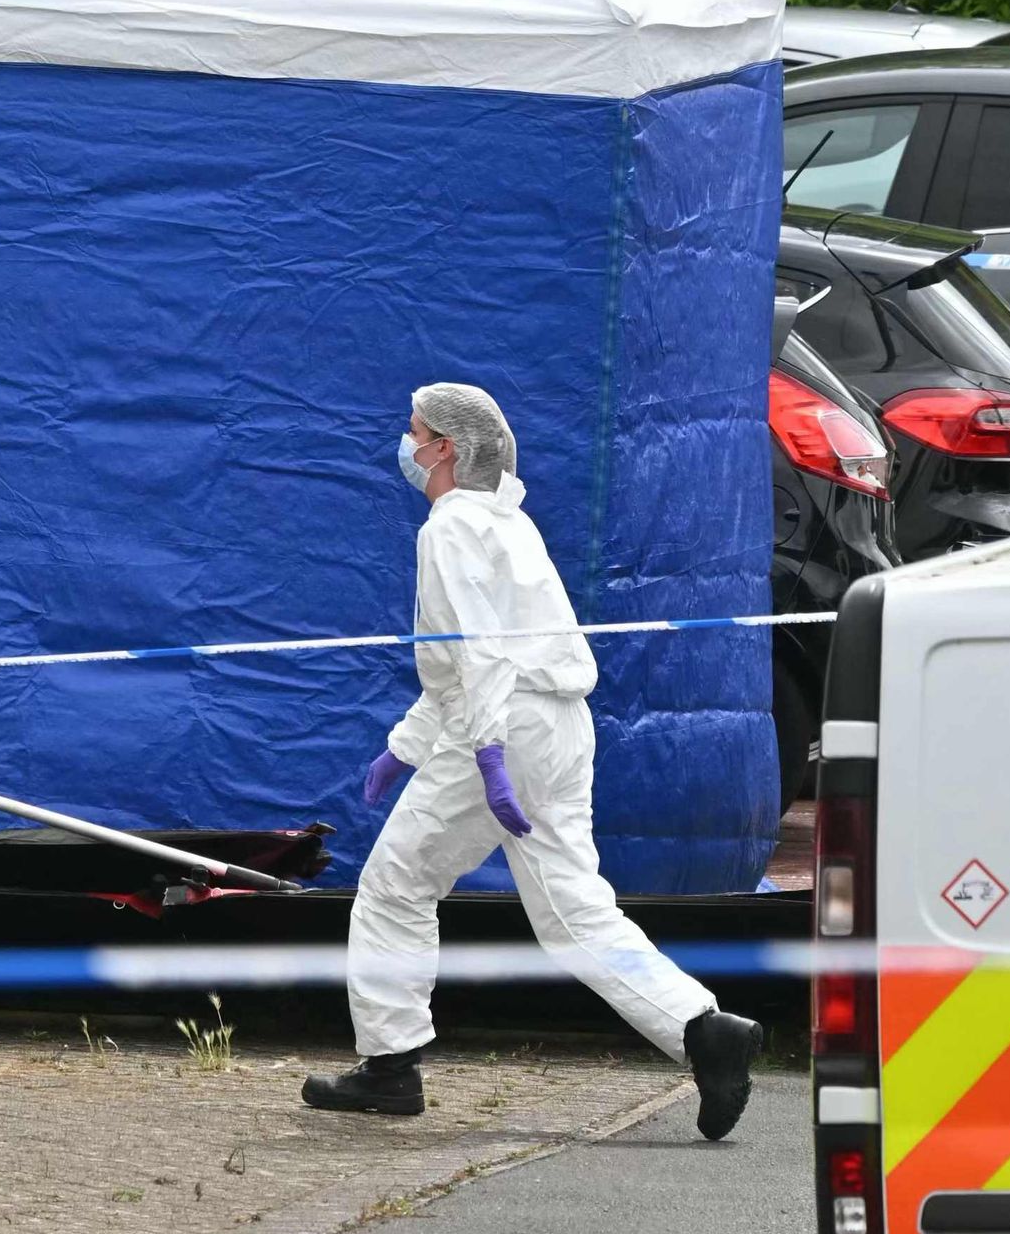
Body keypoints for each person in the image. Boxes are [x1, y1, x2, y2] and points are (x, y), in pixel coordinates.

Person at [306, 381, 765, 1140]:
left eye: (414, 432)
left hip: (506, 727)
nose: (407, 446)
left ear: (446, 447)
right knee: (573, 909)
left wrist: (484, 752)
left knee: (395, 885)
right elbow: (473, 664)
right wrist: (406, 747)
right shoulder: (511, 524)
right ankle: (704, 1030)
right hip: (558, 723)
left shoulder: (450, 527)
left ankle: (389, 1066)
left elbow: (479, 654)